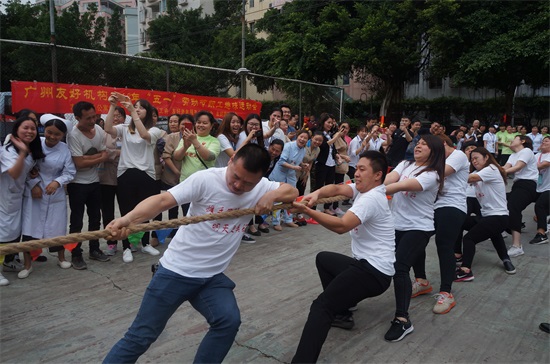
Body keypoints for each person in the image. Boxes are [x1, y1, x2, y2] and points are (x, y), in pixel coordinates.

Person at [103, 144, 298, 363]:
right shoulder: (205, 180)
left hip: (212, 277)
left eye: (247, 183)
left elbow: (292, 191)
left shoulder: (262, 186)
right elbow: (162, 201)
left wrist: (271, 197)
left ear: (261, 177)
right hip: (176, 272)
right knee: (140, 337)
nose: (238, 185)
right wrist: (126, 220)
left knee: (228, 322)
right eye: (236, 177)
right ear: (231, 162)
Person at [290, 151, 395, 363]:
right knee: (324, 259)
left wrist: (308, 211)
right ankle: (342, 314)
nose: (357, 173)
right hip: (367, 266)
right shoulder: (364, 189)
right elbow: (337, 188)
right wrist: (316, 194)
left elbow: (341, 226)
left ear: (378, 175)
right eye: (358, 168)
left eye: (363, 169)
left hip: (374, 273)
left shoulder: (372, 198)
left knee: (321, 307)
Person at [383, 134, 445, 342]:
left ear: (434, 151)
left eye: (424, 144)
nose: (418, 145)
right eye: (418, 143)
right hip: (396, 224)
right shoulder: (405, 163)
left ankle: (402, 319)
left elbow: (401, 186)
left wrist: (371, 190)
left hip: (418, 227)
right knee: (383, 263)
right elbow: (390, 179)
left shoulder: (432, 174)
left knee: (400, 267)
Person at [410, 135, 469, 314]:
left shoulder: (458, 155)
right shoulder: (435, 160)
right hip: (432, 205)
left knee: (444, 244)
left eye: (429, 146)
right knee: (417, 236)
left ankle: (446, 292)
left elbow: (440, 172)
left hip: (452, 205)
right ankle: (421, 281)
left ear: (442, 144)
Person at [104, 93, 164, 263]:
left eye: (141, 107)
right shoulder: (124, 128)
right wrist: (112, 106)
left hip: (146, 174)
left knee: (145, 211)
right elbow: (108, 129)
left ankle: (145, 243)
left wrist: (133, 113)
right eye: (135, 106)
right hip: (126, 172)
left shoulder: (154, 130)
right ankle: (127, 247)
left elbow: (145, 136)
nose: (137, 109)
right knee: (126, 211)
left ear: (148, 111)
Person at [20, 116, 76, 278]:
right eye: (49, 132)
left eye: (57, 134)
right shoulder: (36, 144)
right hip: (34, 194)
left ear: (62, 135)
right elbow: (27, 168)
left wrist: (57, 182)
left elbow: (70, 172)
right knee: (29, 229)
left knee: (57, 229)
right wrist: (34, 183)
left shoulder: (64, 149)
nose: (52, 137)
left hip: (54, 194)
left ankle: (61, 258)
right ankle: (27, 264)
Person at [454, 147, 516, 282]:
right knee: (461, 221)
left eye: (476, 158)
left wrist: (450, 171)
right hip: (488, 217)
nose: (474, 161)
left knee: (469, 239)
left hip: (498, 217)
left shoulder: (492, 169)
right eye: (472, 159)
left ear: (486, 157)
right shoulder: (480, 172)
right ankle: (506, 260)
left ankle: (466, 270)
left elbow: (470, 178)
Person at [0, 116, 44, 286]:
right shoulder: (8, 150)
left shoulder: (29, 150)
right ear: (16, 129)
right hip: (4, 196)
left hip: (17, 197)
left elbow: (27, 172)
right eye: (25, 128)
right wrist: (23, 152)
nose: (30, 132)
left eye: (33, 128)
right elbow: (14, 173)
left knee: (13, 232)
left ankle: (9, 261)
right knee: (2, 233)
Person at [67, 101, 111, 270]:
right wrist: (97, 159)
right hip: (77, 184)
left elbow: (104, 153)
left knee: (95, 218)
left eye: (94, 116)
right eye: (88, 118)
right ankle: (76, 254)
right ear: (77, 118)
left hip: (94, 182)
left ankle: (94, 249)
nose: (93, 121)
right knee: (76, 221)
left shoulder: (98, 130)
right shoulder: (73, 135)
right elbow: (78, 163)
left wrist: (88, 159)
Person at [173, 110, 221, 216]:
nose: (201, 125)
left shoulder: (214, 141)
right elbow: (176, 157)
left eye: (205, 123)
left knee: (202, 216)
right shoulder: (185, 138)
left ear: (211, 125)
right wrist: (185, 146)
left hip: (205, 185)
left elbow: (209, 157)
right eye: (198, 122)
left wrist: (195, 141)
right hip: (186, 183)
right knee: (188, 215)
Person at [160, 114, 195, 241]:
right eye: (182, 124)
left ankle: (188, 231)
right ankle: (173, 231)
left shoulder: (195, 138)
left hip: (188, 178)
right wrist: (176, 172)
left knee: (188, 206)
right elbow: (166, 156)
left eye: (188, 125)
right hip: (173, 177)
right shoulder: (172, 137)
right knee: (172, 206)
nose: (184, 127)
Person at [503, 135, 538, 257]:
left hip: (528, 185)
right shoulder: (512, 155)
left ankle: (517, 246)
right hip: (517, 185)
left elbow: (517, 167)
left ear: (522, 141)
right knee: (501, 203)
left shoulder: (526, 151)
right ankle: (502, 227)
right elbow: (505, 168)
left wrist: (496, 171)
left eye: (514, 139)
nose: (511, 140)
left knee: (513, 208)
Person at [268, 130, 310, 230]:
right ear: (297, 136)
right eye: (301, 137)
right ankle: (275, 222)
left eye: (305, 138)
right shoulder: (288, 146)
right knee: (278, 199)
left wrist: (302, 165)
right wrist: (294, 167)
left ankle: (288, 220)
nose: (302, 139)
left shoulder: (303, 150)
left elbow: (296, 161)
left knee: (292, 197)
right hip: (280, 174)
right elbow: (281, 161)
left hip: (290, 175)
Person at [100, 106, 124, 256]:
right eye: (113, 116)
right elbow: (102, 152)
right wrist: (118, 153)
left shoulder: (128, 133)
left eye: (119, 116)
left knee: (127, 211)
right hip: (106, 178)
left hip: (123, 177)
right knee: (107, 212)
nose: (115, 118)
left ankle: (130, 242)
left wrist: (111, 154)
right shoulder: (102, 134)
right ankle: (111, 243)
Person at [312, 113, 343, 215]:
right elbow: (323, 146)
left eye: (331, 123)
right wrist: (335, 137)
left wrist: (337, 156)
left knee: (330, 186)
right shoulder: (319, 133)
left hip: (331, 163)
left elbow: (332, 149)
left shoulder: (330, 134)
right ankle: (313, 207)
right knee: (319, 186)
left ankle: (326, 207)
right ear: (323, 122)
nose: (330, 124)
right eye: (328, 122)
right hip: (321, 163)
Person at [528, 136, 550, 245]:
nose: (543, 142)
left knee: (539, 205)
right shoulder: (537, 155)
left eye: (546, 141)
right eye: (543, 141)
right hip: (539, 187)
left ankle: (542, 234)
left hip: (549, 188)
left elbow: (542, 165)